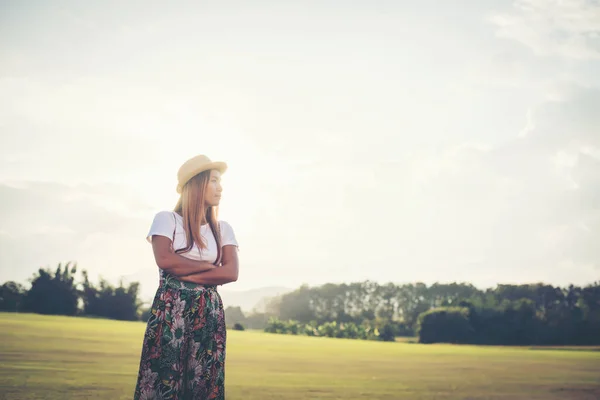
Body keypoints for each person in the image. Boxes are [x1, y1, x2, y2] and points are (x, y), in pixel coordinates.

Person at [133, 154, 239, 400]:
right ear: (196, 184)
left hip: (209, 313)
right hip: (171, 312)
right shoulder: (166, 219)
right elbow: (165, 260)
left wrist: (184, 269)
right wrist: (210, 268)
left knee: (204, 381)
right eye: (213, 180)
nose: (220, 187)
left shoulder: (223, 229)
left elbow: (231, 272)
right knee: (163, 379)